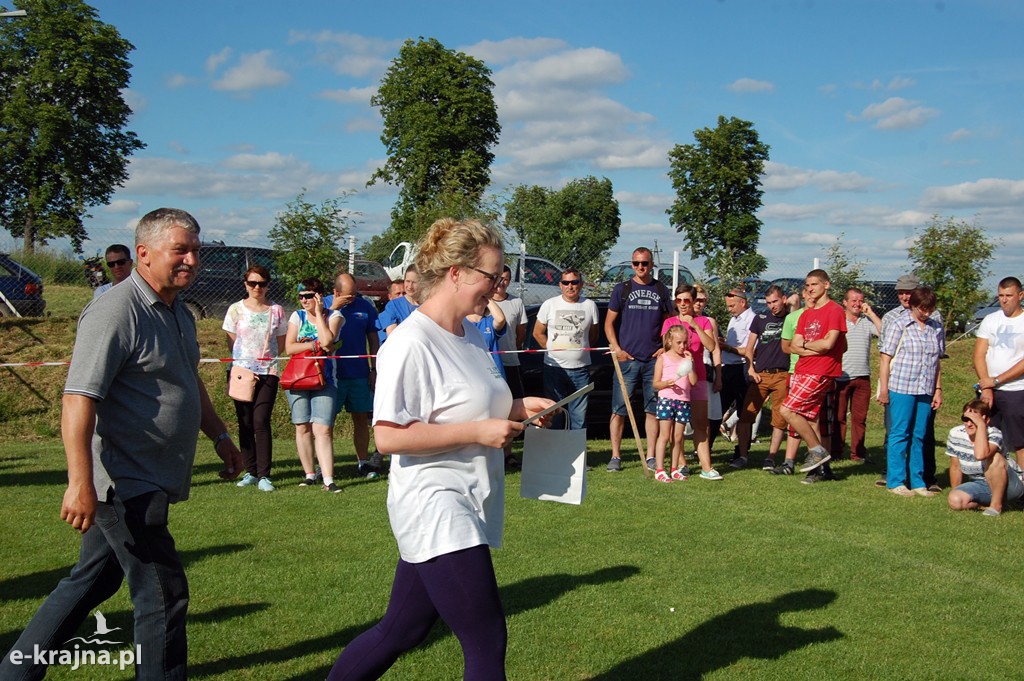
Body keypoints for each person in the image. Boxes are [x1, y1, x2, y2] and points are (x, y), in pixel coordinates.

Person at [0, 208, 242, 680]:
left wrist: (220, 435)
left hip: (153, 474)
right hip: (123, 481)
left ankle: (16, 670)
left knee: (93, 579)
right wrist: (80, 483)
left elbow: (185, 380)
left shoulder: (177, 311)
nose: (192, 260)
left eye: (196, 250)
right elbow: (77, 398)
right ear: (143, 254)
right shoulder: (115, 311)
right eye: (181, 250)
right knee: (163, 593)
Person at [327, 218, 553, 680]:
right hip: (436, 503)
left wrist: (518, 407)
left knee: (401, 630)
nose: (497, 286)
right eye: (492, 275)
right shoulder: (409, 342)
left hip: (472, 497)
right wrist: (478, 431)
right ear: (456, 273)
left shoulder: (470, 335)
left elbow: (471, 404)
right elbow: (387, 436)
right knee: (486, 640)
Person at [604, 247, 674, 472]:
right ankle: (616, 456)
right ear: (631, 265)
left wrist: (665, 347)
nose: (640, 267)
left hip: (653, 361)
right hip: (627, 360)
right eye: (636, 263)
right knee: (619, 409)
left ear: (651, 265)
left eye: (644, 263)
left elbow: (669, 324)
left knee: (652, 409)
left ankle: (652, 456)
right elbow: (608, 324)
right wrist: (617, 349)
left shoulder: (661, 289)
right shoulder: (622, 289)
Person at [223, 264, 287, 492]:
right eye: (252, 283)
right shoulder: (235, 309)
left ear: (268, 285)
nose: (257, 287)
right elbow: (231, 340)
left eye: (261, 283)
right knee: (245, 422)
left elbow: (280, 342)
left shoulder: (276, 310)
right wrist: (242, 363)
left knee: (261, 421)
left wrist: (266, 359)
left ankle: (264, 475)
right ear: (245, 285)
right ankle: (249, 470)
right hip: (242, 372)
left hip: (268, 371)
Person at [780, 269, 847, 481]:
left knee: (787, 410)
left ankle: (816, 450)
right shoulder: (806, 314)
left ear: (826, 285)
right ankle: (821, 469)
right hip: (802, 368)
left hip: (821, 369)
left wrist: (807, 346)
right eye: (807, 285)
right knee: (809, 418)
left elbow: (829, 345)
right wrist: (811, 346)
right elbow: (793, 345)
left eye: (814, 284)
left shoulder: (834, 310)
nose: (810, 289)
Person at [877, 286, 944, 497]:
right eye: (922, 308)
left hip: (925, 389)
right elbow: (885, 358)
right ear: (913, 305)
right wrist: (884, 389)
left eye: (930, 309)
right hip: (901, 386)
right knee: (899, 433)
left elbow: (937, 362)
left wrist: (938, 389)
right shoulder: (899, 324)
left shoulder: (935, 327)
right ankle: (896, 480)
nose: (926, 313)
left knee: (919, 435)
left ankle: (918, 481)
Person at [285, 277, 345, 492]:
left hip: (325, 379)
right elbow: (289, 348)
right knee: (302, 426)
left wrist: (319, 313)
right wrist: (312, 345)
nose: (304, 300)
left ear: (319, 296)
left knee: (323, 429)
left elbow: (328, 341)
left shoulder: (335, 316)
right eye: (301, 296)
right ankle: (309, 474)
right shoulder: (297, 316)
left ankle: (328, 478)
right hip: (298, 378)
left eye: (309, 296)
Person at [325, 272, 382, 479]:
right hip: (331, 375)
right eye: (348, 296)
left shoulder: (365, 307)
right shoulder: (323, 305)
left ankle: (362, 462)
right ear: (335, 292)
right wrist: (333, 309)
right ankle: (325, 466)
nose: (352, 299)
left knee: (360, 418)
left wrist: (375, 369)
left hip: (359, 373)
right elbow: (317, 332)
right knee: (326, 422)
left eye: (354, 294)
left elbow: (374, 340)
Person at [661, 284, 721, 480]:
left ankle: (706, 467)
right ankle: (681, 463)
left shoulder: (703, 321)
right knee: (673, 426)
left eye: (687, 300)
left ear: (694, 301)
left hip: (698, 378)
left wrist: (694, 325)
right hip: (676, 382)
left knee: (700, 424)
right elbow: (665, 350)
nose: (683, 304)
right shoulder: (669, 322)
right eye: (678, 300)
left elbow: (711, 346)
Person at [533, 268, 599, 430]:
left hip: (581, 370)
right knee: (555, 415)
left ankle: (577, 453)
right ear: (560, 285)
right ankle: (556, 452)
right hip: (554, 369)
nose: (570, 286)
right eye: (566, 282)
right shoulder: (549, 304)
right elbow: (537, 333)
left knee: (579, 417)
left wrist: (579, 351)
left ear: (581, 284)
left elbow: (593, 335)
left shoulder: (590, 306)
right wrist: (551, 352)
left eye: (574, 282)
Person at [734, 285, 790, 470]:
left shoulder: (792, 317)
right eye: (768, 303)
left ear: (784, 299)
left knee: (779, 419)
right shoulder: (760, 318)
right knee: (746, 416)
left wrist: (791, 304)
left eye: (775, 301)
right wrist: (751, 369)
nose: (772, 306)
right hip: (761, 375)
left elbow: (797, 301)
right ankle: (742, 456)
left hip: (782, 374)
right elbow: (749, 347)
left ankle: (771, 457)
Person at [973, 276, 1024, 467]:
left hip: (1017, 390)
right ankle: (992, 485)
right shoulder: (990, 319)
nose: (1004, 300)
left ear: (1020, 295)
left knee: (1019, 442)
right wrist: (986, 386)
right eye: (1001, 295)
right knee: (989, 438)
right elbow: (979, 355)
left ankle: (1021, 489)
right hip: (989, 391)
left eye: (1009, 295)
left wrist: (997, 380)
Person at [947, 399, 1024, 517]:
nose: (969, 424)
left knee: (995, 458)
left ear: (986, 420)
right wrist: (956, 490)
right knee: (955, 500)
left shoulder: (994, 434)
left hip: (1010, 485)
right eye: (966, 419)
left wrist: (981, 426)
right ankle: (985, 504)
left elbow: (981, 455)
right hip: (980, 483)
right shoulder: (955, 433)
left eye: (974, 420)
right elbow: (955, 467)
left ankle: (996, 506)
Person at [831, 287, 881, 463]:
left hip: (862, 377)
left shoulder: (866, 323)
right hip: (841, 376)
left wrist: (871, 314)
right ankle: (836, 452)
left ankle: (858, 453)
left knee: (860, 418)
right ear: (845, 302)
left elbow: (885, 334)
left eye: (860, 300)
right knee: (838, 417)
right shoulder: (838, 321)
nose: (857, 304)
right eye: (853, 300)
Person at [651, 325, 699, 482]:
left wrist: (690, 363)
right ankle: (659, 469)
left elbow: (693, 381)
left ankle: (674, 468)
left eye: (685, 342)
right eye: (679, 342)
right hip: (666, 399)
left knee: (678, 437)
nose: (682, 346)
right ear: (669, 341)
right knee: (664, 435)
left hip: (683, 401)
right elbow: (655, 384)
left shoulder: (685, 359)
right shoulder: (663, 358)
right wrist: (666, 384)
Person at [492, 265, 527, 398]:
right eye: (499, 278)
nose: (501, 282)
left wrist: (512, 348)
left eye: (505, 279)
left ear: (510, 281)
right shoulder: (483, 301)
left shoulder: (517, 302)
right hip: (489, 362)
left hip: (510, 361)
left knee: (516, 399)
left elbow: (521, 334)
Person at [378, 264, 419, 338]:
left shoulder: (429, 304)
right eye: (407, 281)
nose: (410, 286)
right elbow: (392, 337)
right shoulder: (393, 305)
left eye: (414, 282)